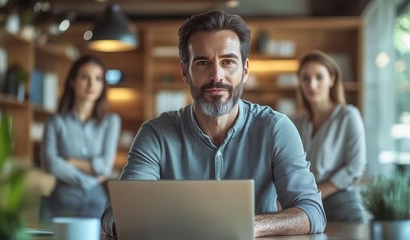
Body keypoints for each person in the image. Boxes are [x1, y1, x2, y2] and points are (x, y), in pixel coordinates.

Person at [101, 10, 326, 237]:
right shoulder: (155, 134)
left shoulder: (276, 128)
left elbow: (312, 212)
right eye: (203, 62)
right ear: (185, 72)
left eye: (228, 61)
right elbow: (115, 216)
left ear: (245, 70)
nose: (216, 75)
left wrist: (250, 226)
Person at [41, 55, 121, 219]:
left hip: (96, 201)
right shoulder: (55, 122)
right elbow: (50, 164)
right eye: (85, 77)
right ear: (72, 81)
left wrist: (70, 161)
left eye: (98, 78)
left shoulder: (111, 121)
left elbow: (105, 166)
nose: (92, 84)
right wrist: (89, 177)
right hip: (61, 200)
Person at [293, 50, 366, 222]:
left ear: (331, 79)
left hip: (341, 206)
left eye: (319, 77)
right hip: (306, 207)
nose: (312, 84)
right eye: (305, 78)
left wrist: (315, 193)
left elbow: (356, 167)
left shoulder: (348, 115)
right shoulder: (297, 122)